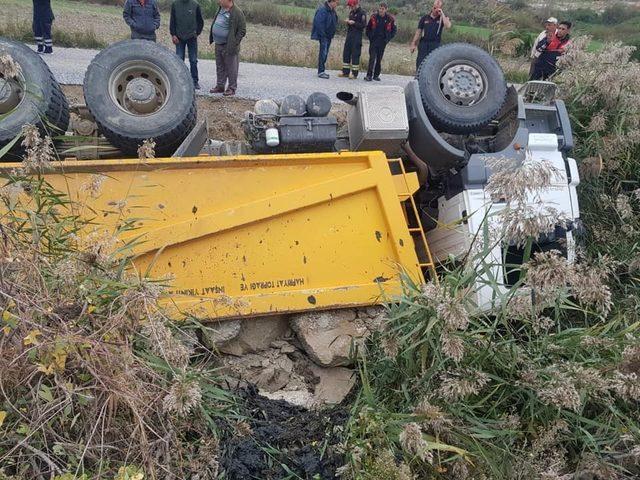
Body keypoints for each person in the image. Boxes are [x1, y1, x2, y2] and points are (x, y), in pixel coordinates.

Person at [209, 0, 246, 96]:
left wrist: (234, 43)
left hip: (229, 45)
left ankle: (231, 88)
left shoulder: (237, 12)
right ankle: (220, 86)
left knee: (231, 68)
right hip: (218, 43)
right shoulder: (220, 9)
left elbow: (242, 30)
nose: (219, 1)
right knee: (220, 66)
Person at [170, 0, 204, 89]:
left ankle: (195, 81)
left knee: (193, 60)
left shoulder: (195, 4)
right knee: (179, 59)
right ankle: (179, 81)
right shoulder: (175, 4)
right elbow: (172, 21)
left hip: (192, 37)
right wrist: (173, 34)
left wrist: (197, 32)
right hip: (179, 38)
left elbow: (200, 21)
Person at [410, 0, 451, 72]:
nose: (436, 10)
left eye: (438, 8)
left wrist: (442, 14)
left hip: (435, 44)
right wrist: (413, 43)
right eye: (434, 8)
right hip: (424, 43)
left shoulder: (442, 18)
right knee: (420, 62)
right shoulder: (425, 18)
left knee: (433, 63)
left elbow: (448, 26)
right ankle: (418, 79)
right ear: (432, 7)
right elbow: (418, 31)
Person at [365, 2, 396, 82]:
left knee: (379, 59)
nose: (381, 10)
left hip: (382, 42)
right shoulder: (373, 17)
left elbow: (394, 31)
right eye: (380, 8)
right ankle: (369, 75)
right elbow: (368, 28)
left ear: (386, 9)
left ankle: (376, 75)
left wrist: (388, 39)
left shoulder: (390, 19)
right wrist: (370, 36)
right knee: (372, 58)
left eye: (383, 9)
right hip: (374, 41)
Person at [338, 0, 366, 79]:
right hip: (349, 35)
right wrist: (348, 22)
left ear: (356, 4)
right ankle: (345, 72)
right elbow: (350, 24)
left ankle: (354, 74)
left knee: (355, 55)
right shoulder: (351, 12)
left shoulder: (362, 13)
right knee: (346, 53)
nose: (351, 7)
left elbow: (363, 25)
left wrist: (354, 23)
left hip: (357, 37)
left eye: (351, 6)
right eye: (350, 6)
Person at [311, 0, 339, 79]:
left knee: (325, 53)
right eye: (336, 2)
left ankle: (322, 70)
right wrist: (323, 34)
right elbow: (318, 23)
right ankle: (321, 72)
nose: (337, 4)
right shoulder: (323, 10)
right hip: (324, 36)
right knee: (323, 53)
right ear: (332, 2)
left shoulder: (332, 11)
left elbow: (335, 21)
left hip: (329, 36)